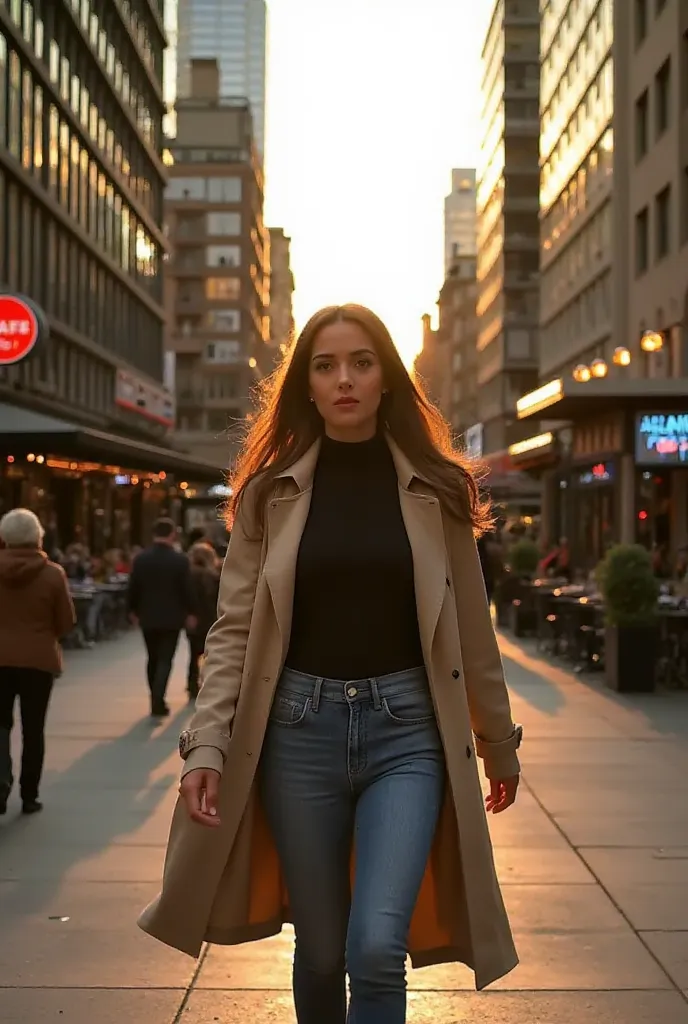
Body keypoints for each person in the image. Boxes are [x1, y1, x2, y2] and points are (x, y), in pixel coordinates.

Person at [138, 304, 522, 1023]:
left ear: (387, 379)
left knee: (376, 946)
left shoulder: (438, 487)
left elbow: (473, 630)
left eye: (361, 362)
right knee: (319, 950)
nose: (344, 378)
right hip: (297, 734)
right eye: (325, 365)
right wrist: (206, 747)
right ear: (307, 386)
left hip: (408, 734)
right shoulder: (267, 494)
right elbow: (232, 631)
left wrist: (498, 743)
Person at [0, 508, 76, 815]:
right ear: (37, 536)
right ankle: (29, 794)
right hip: (39, 660)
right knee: (34, 728)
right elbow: (67, 621)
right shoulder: (52, 573)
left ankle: (0, 782)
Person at [127, 518, 197, 718]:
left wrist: (131, 609)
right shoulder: (180, 560)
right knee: (166, 658)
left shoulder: (141, 559)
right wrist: (191, 612)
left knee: (152, 657)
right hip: (172, 617)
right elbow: (187, 589)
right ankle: (158, 698)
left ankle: (154, 696)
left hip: (147, 616)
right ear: (172, 534)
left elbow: (133, 587)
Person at [186, 542, 220, 700]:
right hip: (212, 619)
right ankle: (209, 684)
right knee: (211, 654)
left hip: (194, 620)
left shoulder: (188, 575)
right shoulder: (214, 576)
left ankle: (192, 685)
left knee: (193, 654)